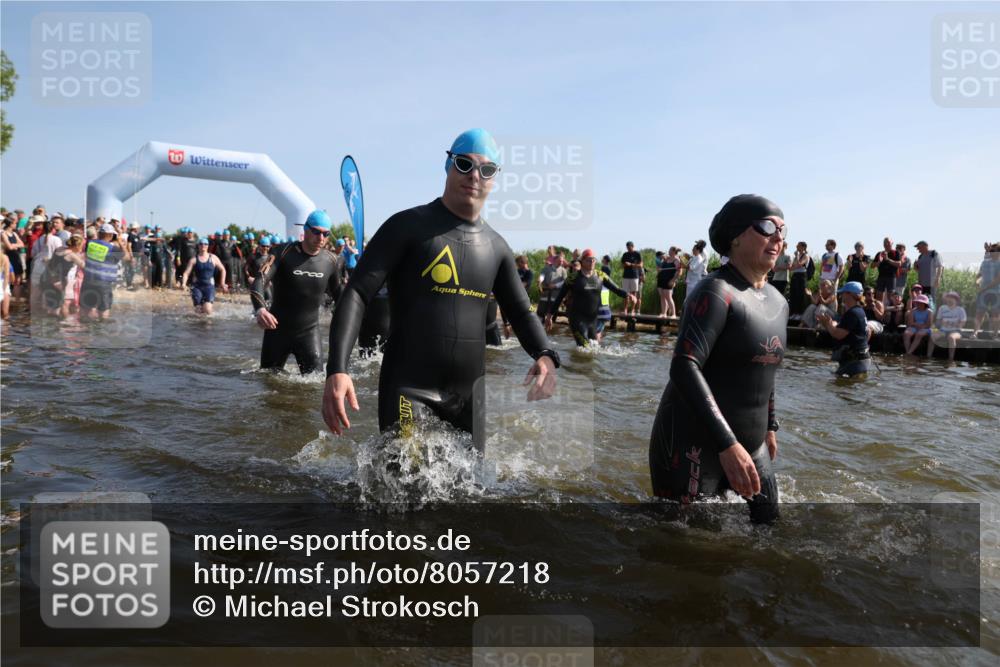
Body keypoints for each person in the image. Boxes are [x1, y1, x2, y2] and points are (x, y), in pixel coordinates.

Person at [321, 128, 559, 450]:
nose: (474, 175)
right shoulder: (407, 226)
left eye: (486, 170)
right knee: (408, 485)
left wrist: (545, 354)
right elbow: (357, 293)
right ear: (448, 165)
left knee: (468, 494)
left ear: (495, 178)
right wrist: (338, 369)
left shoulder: (497, 247)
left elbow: (520, 311)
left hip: (468, 398)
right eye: (464, 164)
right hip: (408, 388)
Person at [649, 194, 787, 524]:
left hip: (751, 447)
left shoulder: (779, 302)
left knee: (772, 531)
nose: (779, 237)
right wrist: (727, 444)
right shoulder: (716, 292)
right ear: (735, 237)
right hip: (694, 444)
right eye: (767, 227)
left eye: (783, 229)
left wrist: (769, 426)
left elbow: (764, 368)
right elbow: (684, 366)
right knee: (693, 556)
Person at [250, 211, 343, 374]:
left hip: (309, 333)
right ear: (305, 230)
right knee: (267, 383)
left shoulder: (331, 261)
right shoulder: (282, 252)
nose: (321, 237)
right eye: (316, 232)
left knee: (314, 387)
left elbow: (339, 295)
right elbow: (259, 280)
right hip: (277, 332)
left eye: (325, 234)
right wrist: (260, 309)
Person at [546, 248, 627, 346]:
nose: (592, 262)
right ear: (582, 261)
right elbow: (560, 297)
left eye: (593, 259)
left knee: (593, 350)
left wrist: (628, 295)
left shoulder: (600, 275)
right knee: (584, 347)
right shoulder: (573, 278)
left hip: (593, 321)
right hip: (577, 320)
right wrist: (550, 315)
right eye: (589, 259)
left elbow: (616, 289)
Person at [816, 282, 871, 377]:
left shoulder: (852, 313)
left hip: (855, 363)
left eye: (843, 293)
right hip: (860, 360)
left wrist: (826, 324)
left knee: (840, 388)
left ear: (850, 294)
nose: (841, 295)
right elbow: (868, 332)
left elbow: (838, 334)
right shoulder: (860, 311)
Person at [80, 223, 128, 320]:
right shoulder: (113, 249)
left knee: (86, 309)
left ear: (99, 233)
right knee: (103, 310)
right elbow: (126, 257)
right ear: (111, 235)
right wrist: (121, 243)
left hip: (88, 281)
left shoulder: (89, 244)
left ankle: (86, 331)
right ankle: (101, 331)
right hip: (103, 284)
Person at [41, 235, 86, 317]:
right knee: (63, 304)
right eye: (81, 246)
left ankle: (51, 324)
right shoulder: (72, 255)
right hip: (57, 282)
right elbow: (84, 266)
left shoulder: (59, 249)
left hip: (45, 278)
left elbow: (51, 261)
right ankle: (66, 323)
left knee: (51, 306)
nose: (82, 248)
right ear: (77, 246)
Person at [181, 238, 228, 315]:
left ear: (208, 246)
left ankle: (208, 326)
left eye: (205, 244)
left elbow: (223, 269)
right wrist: (183, 284)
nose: (203, 245)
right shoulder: (193, 259)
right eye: (201, 244)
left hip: (209, 286)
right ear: (198, 246)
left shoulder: (213, 258)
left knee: (208, 309)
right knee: (198, 310)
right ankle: (199, 326)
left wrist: (222, 283)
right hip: (197, 287)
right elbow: (186, 273)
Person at [928, 291, 967, 361]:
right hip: (943, 330)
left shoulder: (961, 310)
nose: (949, 299)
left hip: (956, 331)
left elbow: (962, 324)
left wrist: (952, 324)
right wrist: (934, 329)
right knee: (932, 336)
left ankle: (951, 359)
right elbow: (938, 322)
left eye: (952, 298)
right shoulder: (942, 308)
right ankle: (928, 357)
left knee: (951, 338)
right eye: (948, 297)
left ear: (956, 300)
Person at [972, 243, 1000, 338]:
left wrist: (984, 288)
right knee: (979, 313)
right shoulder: (985, 262)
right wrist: (976, 281)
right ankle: (975, 333)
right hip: (983, 292)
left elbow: (997, 279)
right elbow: (980, 275)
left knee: (995, 314)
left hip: (996, 292)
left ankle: (995, 335)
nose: (992, 252)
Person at [536, 251, 567, 330]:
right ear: (555, 260)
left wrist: (555, 285)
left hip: (555, 294)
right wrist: (540, 280)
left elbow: (565, 281)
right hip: (545, 293)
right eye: (560, 261)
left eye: (562, 261)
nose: (561, 262)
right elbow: (542, 275)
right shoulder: (546, 268)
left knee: (552, 313)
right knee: (540, 312)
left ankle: (550, 332)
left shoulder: (563, 270)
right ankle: (539, 329)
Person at [2, 217, 25, 303]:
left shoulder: (14, 234)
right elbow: (9, 247)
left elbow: (22, 244)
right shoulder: (3, 234)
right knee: (8, 278)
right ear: (10, 224)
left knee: (18, 280)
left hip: (16, 258)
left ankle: (17, 302)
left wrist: (13, 245)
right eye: (15, 223)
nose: (16, 225)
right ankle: (6, 300)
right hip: (8, 258)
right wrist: (16, 245)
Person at [873, 237, 901, 304]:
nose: (886, 244)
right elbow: (872, 266)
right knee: (879, 296)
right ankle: (880, 311)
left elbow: (899, 264)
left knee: (891, 296)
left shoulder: (896, 253)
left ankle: (892, 312)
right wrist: (879, 261)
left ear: (892, 243)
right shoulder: (879, 253)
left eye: (888, 242)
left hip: (891, 277)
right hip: (881, 276)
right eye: (885, 242)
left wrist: (887, 259)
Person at [656, 246, 681, 318]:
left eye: (670, 250)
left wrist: (673, 280)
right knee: (662, 296)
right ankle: (663, 313)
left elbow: (678, 272)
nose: (669, 251)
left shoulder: (676, 260)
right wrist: (660, 269)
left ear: (673, 251)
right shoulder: (666, 259)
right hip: (661, 279)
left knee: (668, 297)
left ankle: (673, 314)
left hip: (669, 280)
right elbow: (661, 266)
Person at [620, 241, 643, 316]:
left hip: (634, 276)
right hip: (625, 276)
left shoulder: (637, 254)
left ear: (633, 246)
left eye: (629, 246)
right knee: (625, 294)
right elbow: (622, 265)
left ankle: (632, 310)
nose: (628, 248)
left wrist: (631, 264)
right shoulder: (625, 254)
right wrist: (624, 265)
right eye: (627, 247)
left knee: (634, 293)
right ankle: (625, 309)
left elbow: (641, 265)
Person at [789, 241, 810, 317]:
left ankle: (800, 313)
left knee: (800, 294)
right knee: (793, 294)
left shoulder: (806, 256)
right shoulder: (796, 256)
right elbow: (792, 268)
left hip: (801, 276)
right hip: (795, 275)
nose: (796, 247)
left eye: (798, 245)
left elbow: (799, 264)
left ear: (803, 247)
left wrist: (797, 257)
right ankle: (793, 313)